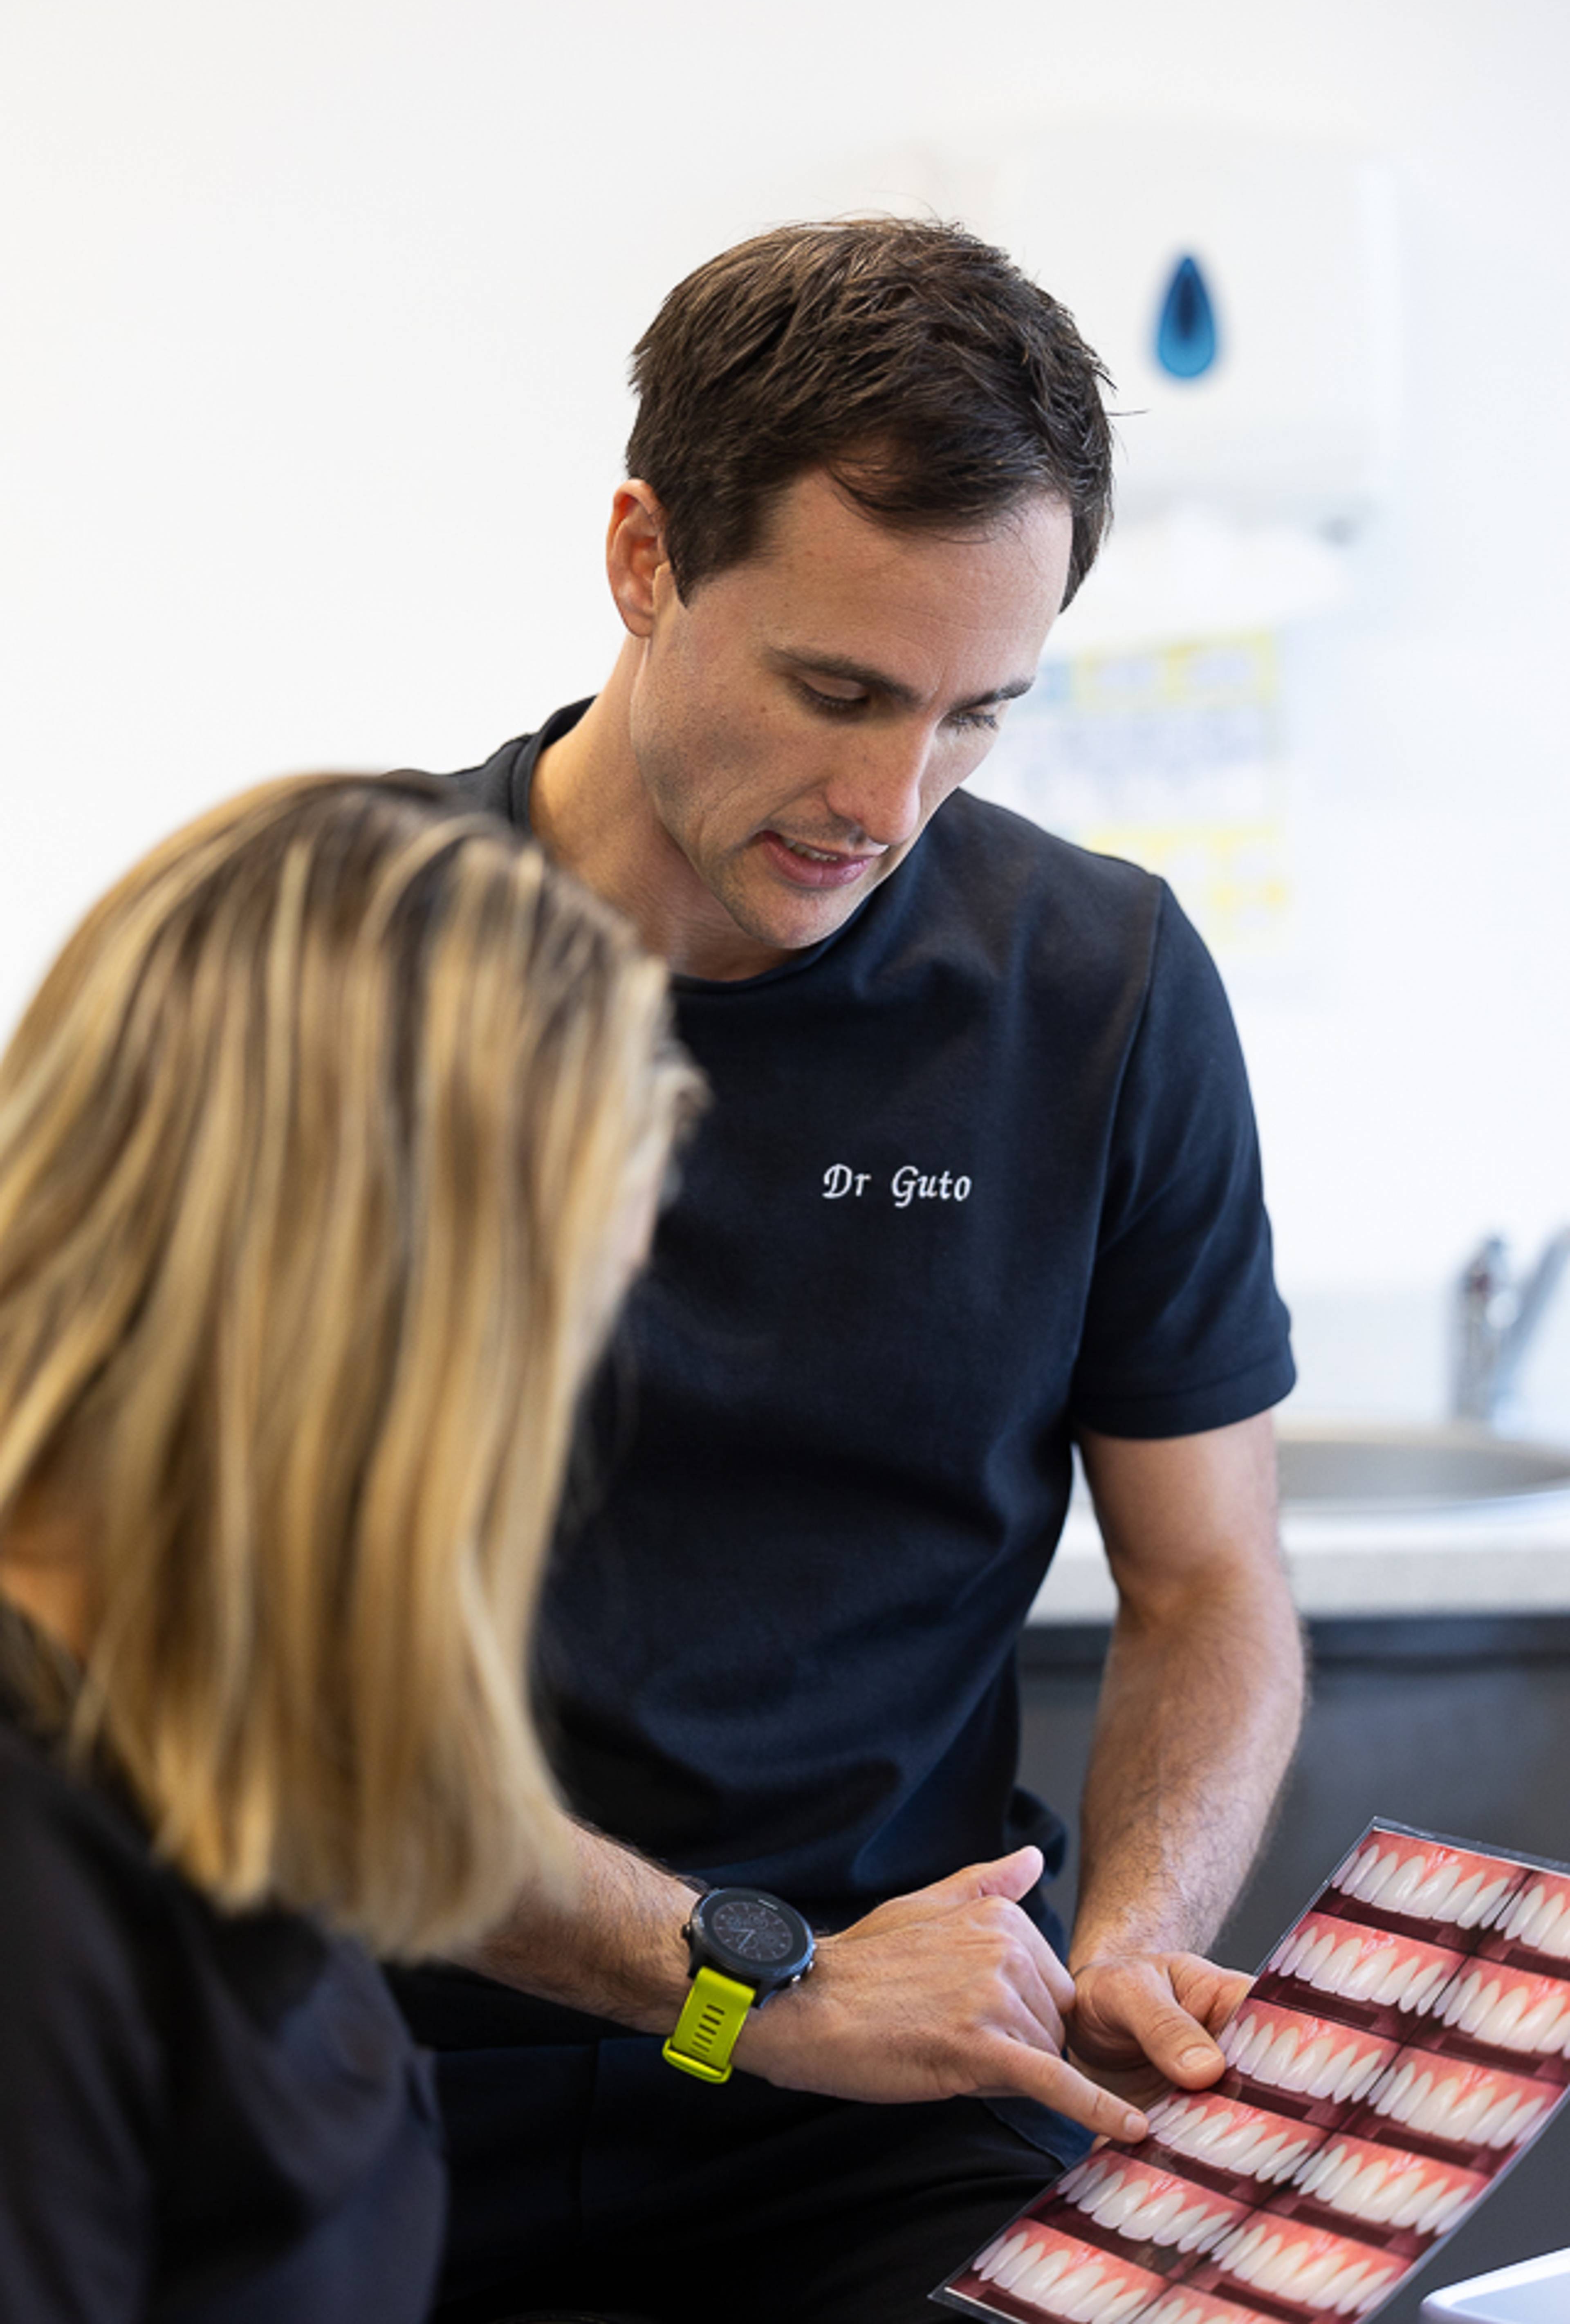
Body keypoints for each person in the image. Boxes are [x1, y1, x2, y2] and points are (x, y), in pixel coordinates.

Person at [395, 217, 1305, 2324]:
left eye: (980, 715)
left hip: (885, 2099)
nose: (889, 802)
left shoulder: (1102, 987)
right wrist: (753, 1989)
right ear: (645, 557)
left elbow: (1206, 1581)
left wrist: (1135, 1941)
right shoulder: (337, 969)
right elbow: (224, 1687)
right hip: (366, 2062)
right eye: (838, 691)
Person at [0, 775, 696, 2322]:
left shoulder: (193, 1728)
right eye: (560, 1334)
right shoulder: (43, 1894)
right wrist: (758, 1993)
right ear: (397, 1321)